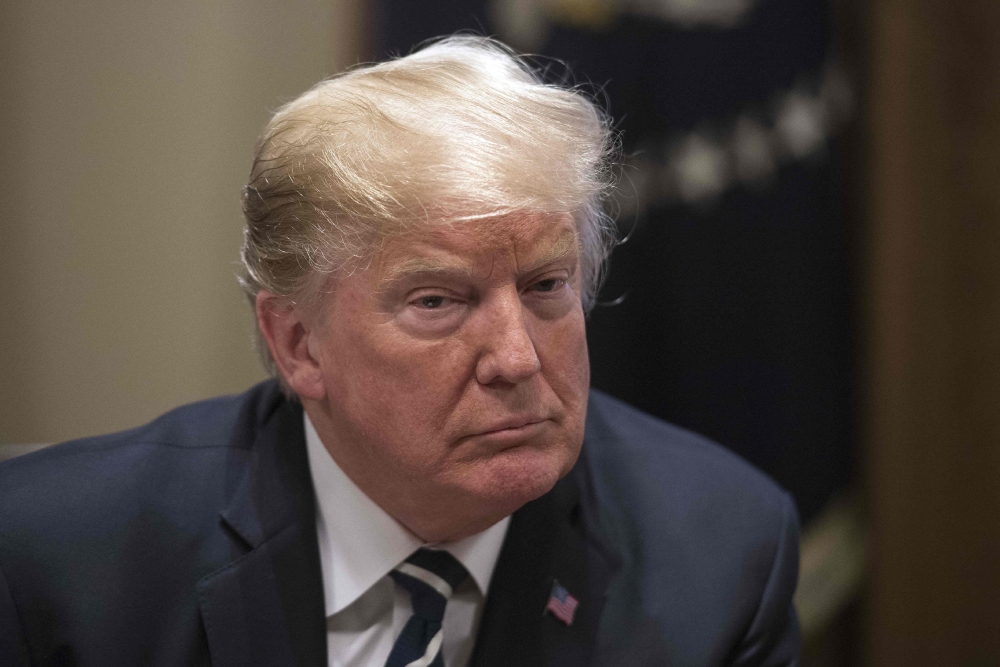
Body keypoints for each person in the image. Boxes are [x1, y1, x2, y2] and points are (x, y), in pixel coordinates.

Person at [0, 36, 800, 666]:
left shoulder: (719, 553)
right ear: (298, 342)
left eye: (546, 286)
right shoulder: (54, 565)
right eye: (438, 302)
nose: (518, 359)